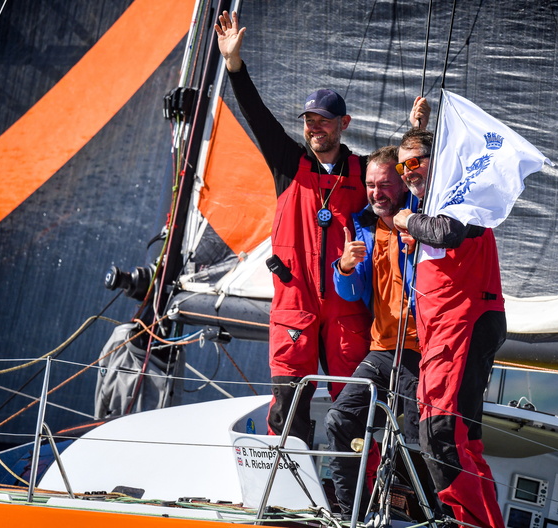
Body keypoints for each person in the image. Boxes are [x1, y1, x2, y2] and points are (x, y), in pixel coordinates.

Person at [214, 11, 430, 443]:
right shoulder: (288, 163)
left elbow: (398, 179)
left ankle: (352, 493)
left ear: (342, 125)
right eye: (309, 121)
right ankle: (288, 497)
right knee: (288, 408)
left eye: (323, 120)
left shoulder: (361, 171)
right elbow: (257, 117)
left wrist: (416, 132)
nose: (314, 127)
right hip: (295, 304)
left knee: (355, 410)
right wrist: (234, 66)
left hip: (347, 309)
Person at [392, 128, 507, 528]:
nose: (407, 172)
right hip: (445, 338)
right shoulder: (439, 203)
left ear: (439, 160)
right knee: (464, 443)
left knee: (441, 437)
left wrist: (407, 218)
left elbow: (447, 232)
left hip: (462, 330)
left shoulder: (464, 197)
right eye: (400, 165)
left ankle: (469, 522)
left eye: (416, 162)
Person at [323, 145, 421, 518]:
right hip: (382, 349)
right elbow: (350, 291)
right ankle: (350, 515)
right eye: (370, 184)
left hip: (420, 351)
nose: (377, 193)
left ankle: (426, 517)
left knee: (413, 439)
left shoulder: (420, 217)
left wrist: (420, 126)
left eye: (385, 184)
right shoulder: (362, 224)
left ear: (403, 184)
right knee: (340, 419)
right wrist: (344, 268)